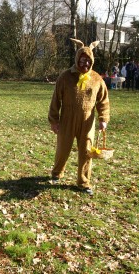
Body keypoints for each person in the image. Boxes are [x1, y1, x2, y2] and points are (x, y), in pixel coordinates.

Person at [48, 38, 110, 195]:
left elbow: (103, 101)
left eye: (88, 61)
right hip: (67, 119)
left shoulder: (97, 79)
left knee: (86, 151)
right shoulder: (65, 77)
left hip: (87, 121)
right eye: (82, 61)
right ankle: (57, 173)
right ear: (77, 59)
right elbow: (56, 100)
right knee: (63, 148)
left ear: (92, 61)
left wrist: (103, 119)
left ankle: (83, 182)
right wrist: (54, 120)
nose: (85, 64)